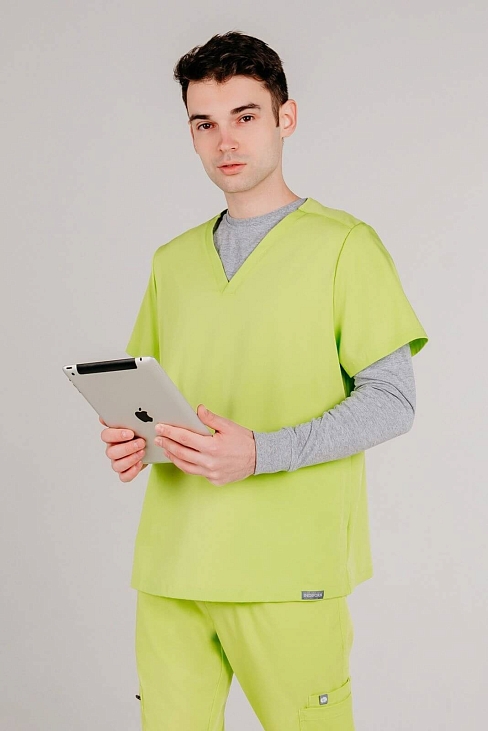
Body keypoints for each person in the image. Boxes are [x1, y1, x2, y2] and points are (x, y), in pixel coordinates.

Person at [100, 31, 428, 731]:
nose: (225, 141)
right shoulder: (171, 262)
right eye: (205, 123)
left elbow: (392, 400)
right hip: (171, 569)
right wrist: (132, 438)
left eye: (245, 116)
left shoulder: (344, 246)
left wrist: (261, 452)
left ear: (286, 117)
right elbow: (151, 394)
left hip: (287, 570)